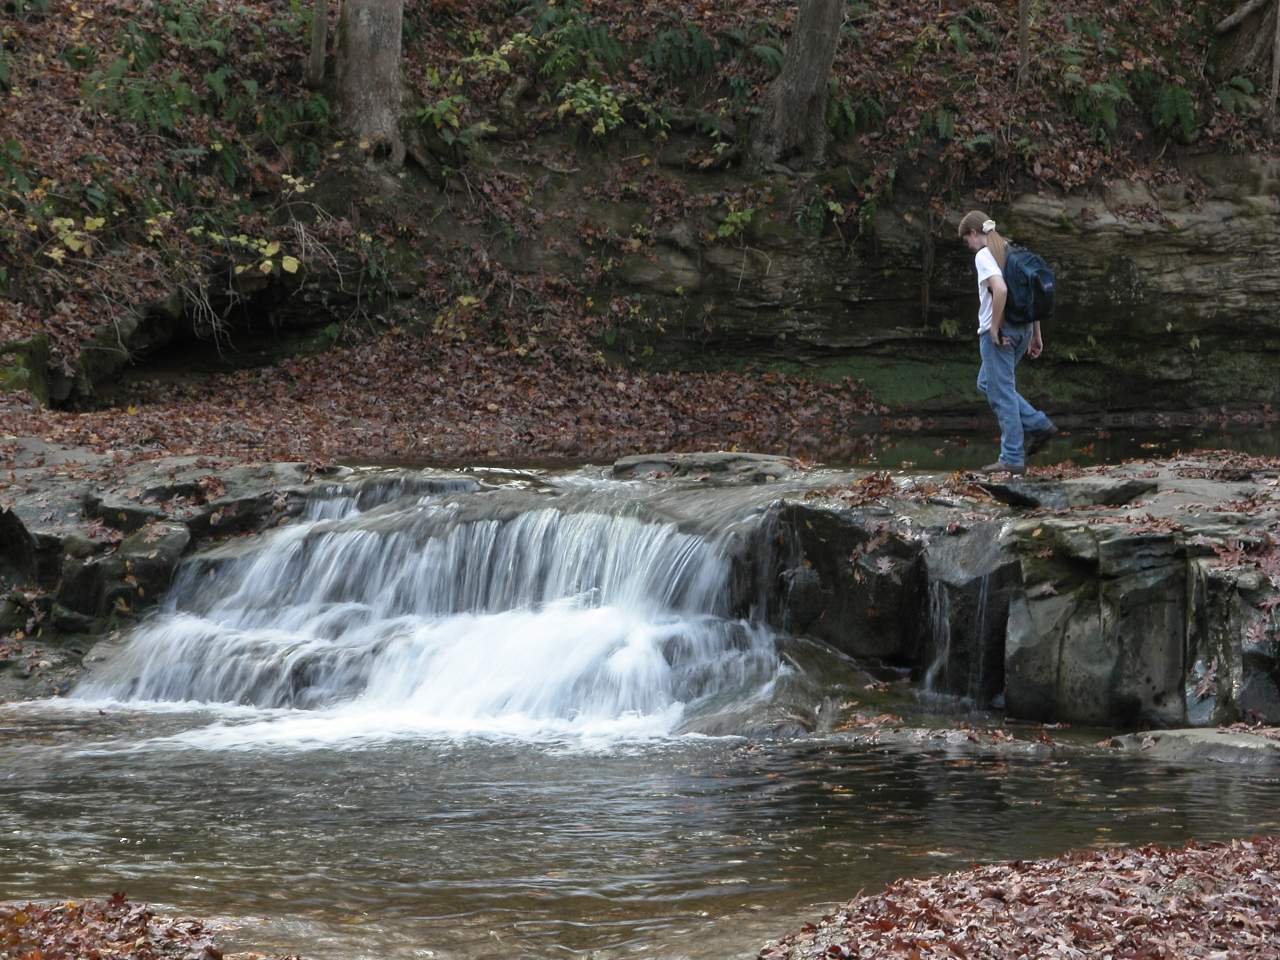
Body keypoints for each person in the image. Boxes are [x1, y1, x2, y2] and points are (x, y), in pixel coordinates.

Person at [958, 210, 1056, 475]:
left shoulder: (984, 254)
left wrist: (994, 327)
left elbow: (1000, 289)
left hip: (1001, 334)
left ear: (974, 233)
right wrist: (1035, 333)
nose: (969, 246)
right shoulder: (1011, 250)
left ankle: (1012, 457)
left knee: (1001, 394)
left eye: (967, 240)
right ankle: (1037, 423)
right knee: (987, 383)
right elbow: (1030, 293)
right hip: (1023, 329)